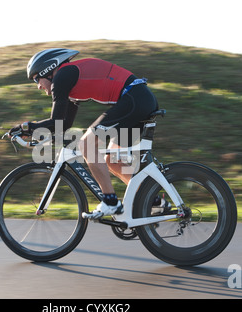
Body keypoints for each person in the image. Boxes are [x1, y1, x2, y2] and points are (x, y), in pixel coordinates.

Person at [9, 48, 159, 219]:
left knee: (87, 144)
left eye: (37, 79)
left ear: (48, 71)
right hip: (138, 99)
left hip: (134, 99)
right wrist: (35, 132)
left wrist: (26, 127)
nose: (37, 86)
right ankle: (153, 201)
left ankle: (111, 202)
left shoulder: (62, 77)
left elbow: (56, 121)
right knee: (113, 160)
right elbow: (63, 124)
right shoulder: (69, 82)